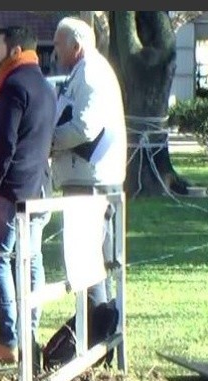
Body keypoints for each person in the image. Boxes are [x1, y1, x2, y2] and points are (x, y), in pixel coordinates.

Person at [0, 26, 56, 365]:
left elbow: (5, 144)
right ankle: (29, 335)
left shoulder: (13, 85)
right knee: (33, 259)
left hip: (10, 190)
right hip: (40, 186)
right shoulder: (45, 86)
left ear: (15, 48)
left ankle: (8, 338)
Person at [50, 17, 127, 321]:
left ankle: (96, 330)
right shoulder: (84, 72)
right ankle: (98, 329)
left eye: (57, 44)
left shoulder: (92, 73)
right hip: (87, 178)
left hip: (91, 181)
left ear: (76, 45)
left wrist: (49, 141)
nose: (54, 51)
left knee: (88, 261)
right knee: (92, 261)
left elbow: (85, 127)